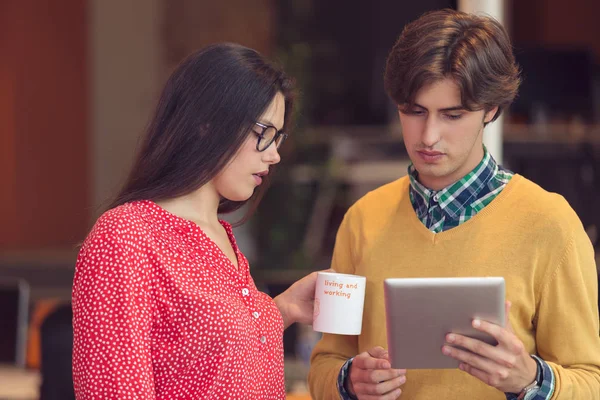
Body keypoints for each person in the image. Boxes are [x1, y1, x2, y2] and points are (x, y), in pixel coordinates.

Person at [308, 9, 600, 400]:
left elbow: (591, 381)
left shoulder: (551, 224)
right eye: (414, 111)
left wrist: (531, 379)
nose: (428, 136)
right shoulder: (360, 219)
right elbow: (324, 363)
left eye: (453, 115)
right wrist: (348, 381)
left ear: (492, 110)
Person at [72, 43, 322, 400]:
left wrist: (279, 310)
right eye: (263, 132)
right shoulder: (126, 236)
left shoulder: (222, 235)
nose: (274, 153)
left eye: (278, 137)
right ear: (207, 124)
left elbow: (200, 353)